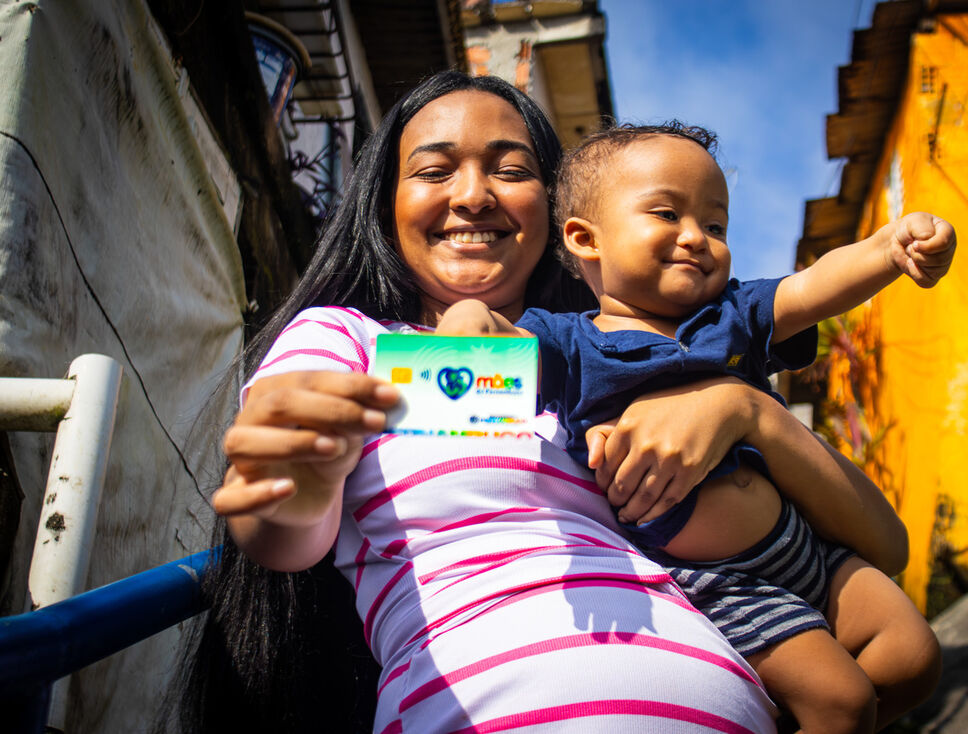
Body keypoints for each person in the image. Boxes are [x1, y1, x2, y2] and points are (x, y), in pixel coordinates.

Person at [171, 71, 911, 734]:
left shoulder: (638, 355)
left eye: (512, 170)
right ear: (384, 204)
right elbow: (285, 532)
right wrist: (288, 471)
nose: (472, 195)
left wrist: (745, 412)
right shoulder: (357, 341)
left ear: (563, 215)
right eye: (434, 170)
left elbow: (883, 550)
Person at [435, 122, 948, 733]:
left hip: (810, 546)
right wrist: (466, 319)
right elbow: (487, 353)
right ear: (584, 238)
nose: (696, 238)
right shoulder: (570, 342)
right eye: (666, 213)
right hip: (727, 585)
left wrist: (890, 245)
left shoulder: (730, 313)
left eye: (715, 225)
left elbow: (813, 286)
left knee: (915, 658)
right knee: (843, 703)